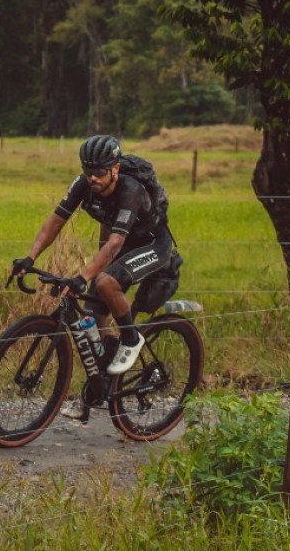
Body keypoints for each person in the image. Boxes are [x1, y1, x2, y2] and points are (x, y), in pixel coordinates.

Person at [10, 135, 177, 419]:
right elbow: (54, 222)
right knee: (92, 319)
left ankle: (131, 338)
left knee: (105, 282)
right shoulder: (83, 184)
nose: (93, 178)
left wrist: (82, 276)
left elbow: (114, 245)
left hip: (150, 244)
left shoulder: (130, 189)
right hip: (117, 240)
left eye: (100, 172)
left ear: (115, 169)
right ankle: (97, 390)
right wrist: (30, 258)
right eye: (88, 171)